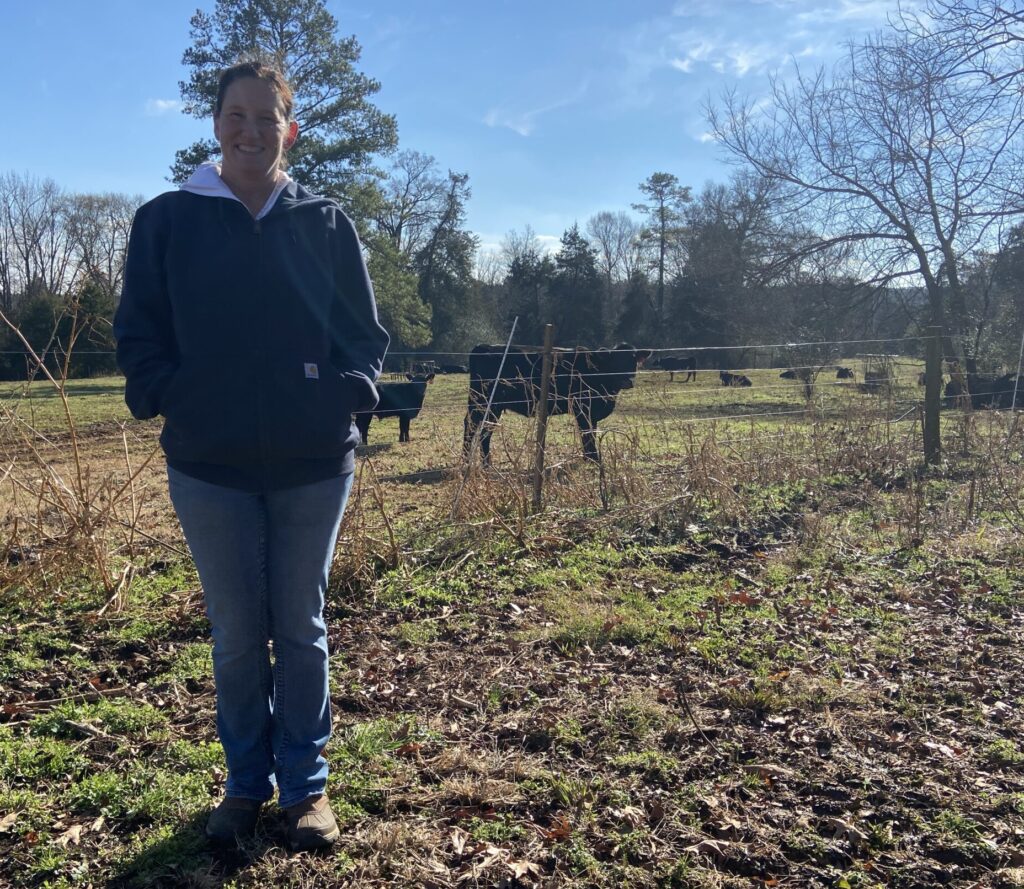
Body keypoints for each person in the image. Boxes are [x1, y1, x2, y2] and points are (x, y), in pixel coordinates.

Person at [114, 60, 389, 851]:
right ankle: (243, 786)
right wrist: (170, 392)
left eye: (267, 119)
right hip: (208, 462)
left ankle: (306, 790)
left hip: (313, 461)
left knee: (300, 626)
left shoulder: (327, 221)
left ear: (288, 131)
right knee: (236, 632)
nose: (250, 131)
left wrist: (347, 392)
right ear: (214, 124)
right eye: (236, 115)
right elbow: (139, 331)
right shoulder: (167, 220)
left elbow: (363, 334)